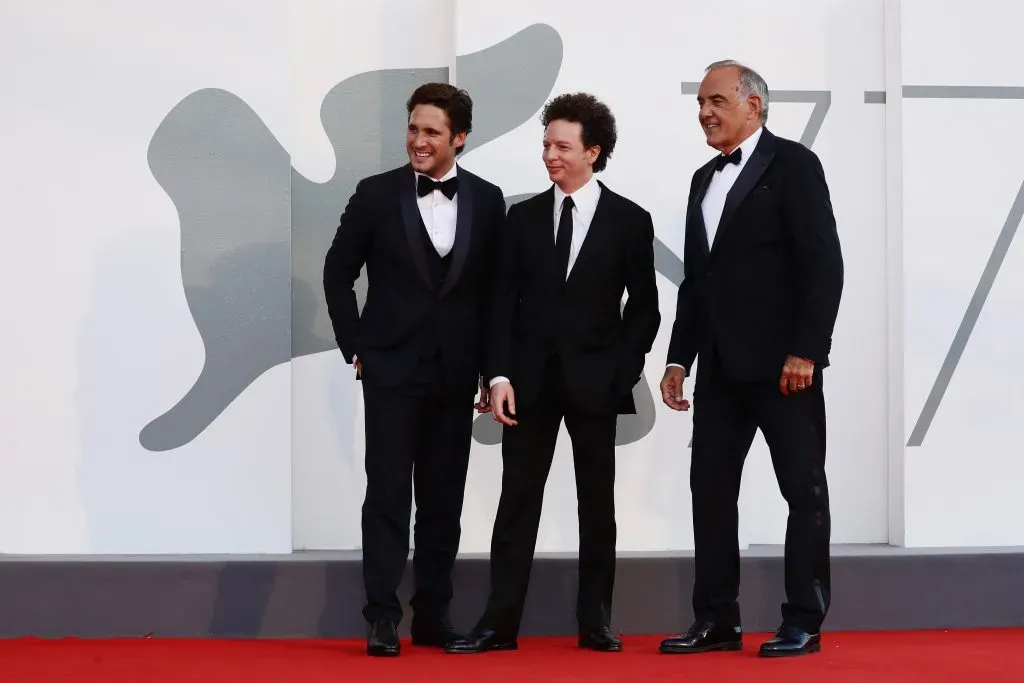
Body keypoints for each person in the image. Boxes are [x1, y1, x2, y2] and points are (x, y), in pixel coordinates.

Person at [445, 92, 661, 655]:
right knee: (517, 502)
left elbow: (644, 310)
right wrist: (498, 376)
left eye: (562, 146)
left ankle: (596, 623)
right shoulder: (522, 218)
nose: (550, 155)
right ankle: (498, 625)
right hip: (528, 386)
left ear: (593, 151)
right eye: (546, 145)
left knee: (597, 507)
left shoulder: (630, 221)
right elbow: (500, 304)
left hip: (596, 385)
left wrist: (620, 374)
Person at [657, 60, 843, 658]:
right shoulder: (701, 179)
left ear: (752, 105)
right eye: (700, 103)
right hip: (718, 369)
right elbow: (698, 280)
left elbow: (823, 262)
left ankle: (804, 619)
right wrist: (679, 358)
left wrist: (807, 350)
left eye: (716, 101)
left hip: (784, 369)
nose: (704, 113)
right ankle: (716, 620)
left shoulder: (794, 165)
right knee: (709, 493)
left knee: (802, 492)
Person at [323, 82, 506, 657]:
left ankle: (432, 615)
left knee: (443, 500)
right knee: (386, 496)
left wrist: (492, 370)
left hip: (455, 373)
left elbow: (494, 296)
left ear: (460, 137)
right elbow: (337, 271)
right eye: (413, 128)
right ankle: (382, 616)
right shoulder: (375, 194)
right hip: (391, 368)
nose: (418, 141)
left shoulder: (488, 199)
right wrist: (357, 346)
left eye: (431, 131)